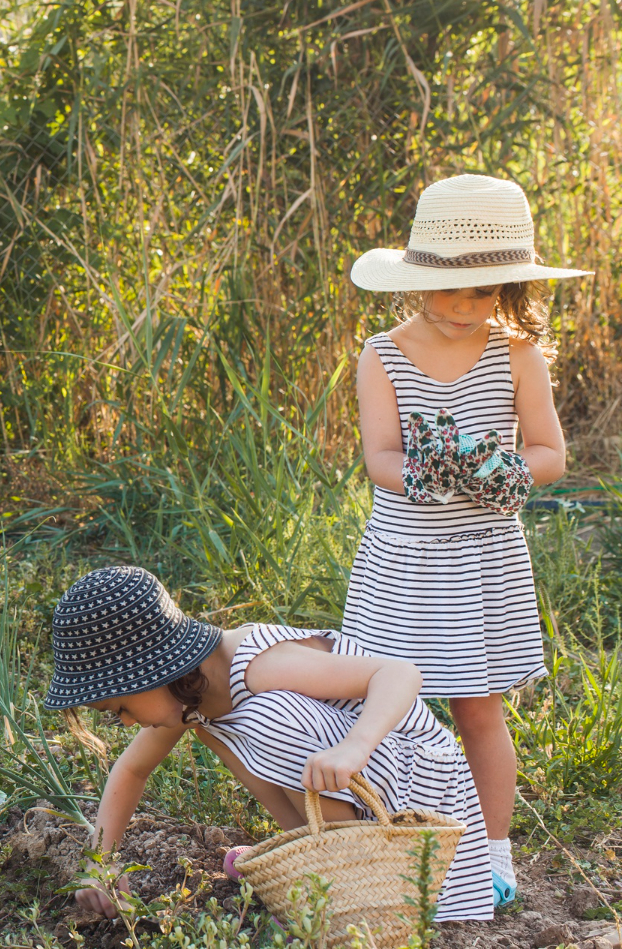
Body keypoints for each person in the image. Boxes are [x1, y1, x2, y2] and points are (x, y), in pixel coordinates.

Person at [343, 174, 588, 904]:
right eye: (448, 290)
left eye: (482, 293)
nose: (462, 307)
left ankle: (492, 852)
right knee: (384, 705)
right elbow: (380, 459)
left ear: (507, 289)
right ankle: (387, 838)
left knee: (478, 709)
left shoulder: (517, 355)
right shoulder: (382, 354)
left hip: (482, 558)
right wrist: (432, 474)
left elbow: (550, 453)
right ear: (417, 280)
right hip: (405, 558)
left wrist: (498, 470)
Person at [48, 566, 493, 923]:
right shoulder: (190, 697)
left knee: (269, 718)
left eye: (121, 707)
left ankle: (347, 882)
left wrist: (354, 747)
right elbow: (131, 770)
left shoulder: (256, 663)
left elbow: (398, 673)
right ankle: (310, 858)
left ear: (154, 670)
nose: (126, 722)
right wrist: (101, 862)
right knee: (215, 727)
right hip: (368, 787)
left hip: (421, 786)